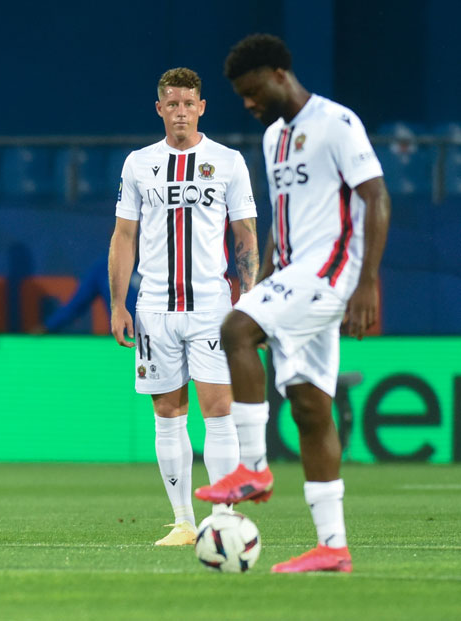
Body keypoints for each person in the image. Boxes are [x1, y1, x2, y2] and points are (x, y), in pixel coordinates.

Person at [195, 34, 391, 574]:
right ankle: (333, 546)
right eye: (240, 95)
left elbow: (375, 195)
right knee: (309, 406)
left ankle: (253, 468)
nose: (248, 103)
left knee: (235, 329)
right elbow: (284, 219)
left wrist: (367, 282)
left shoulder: (337, 122)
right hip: (296, 273)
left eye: (252, 90)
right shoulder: (274, 138)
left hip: (332, 271)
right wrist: (274, 271)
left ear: (279, 73)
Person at [109, 68, 259, 546]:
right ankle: (183, 522)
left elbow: (246, 235)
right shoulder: (138, 164)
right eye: (170, 103)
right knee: (168, 413)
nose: (179, 111)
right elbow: (124, 237)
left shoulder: (228, 161)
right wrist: (118, 303)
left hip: (212, 305)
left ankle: (224, 517)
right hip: (154, 306)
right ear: (159, 109)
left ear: (201, 107)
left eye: (187, 103)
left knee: (218, 409)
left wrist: (250, 300)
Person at [31, 255, 139, 335]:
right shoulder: (104, 269)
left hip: (154, 339)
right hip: (125, 343)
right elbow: (75, 306)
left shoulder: (154, 266)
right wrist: (47, 328)